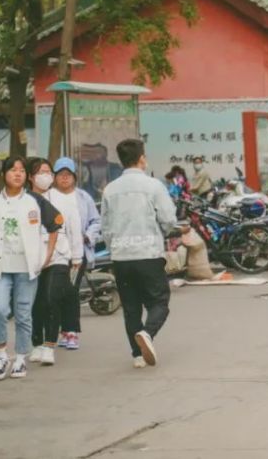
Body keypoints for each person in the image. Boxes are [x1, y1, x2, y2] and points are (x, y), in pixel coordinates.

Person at [0, 156, 63, 381]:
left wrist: (48, 254)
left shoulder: (35, 201)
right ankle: (2, 355)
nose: (18, 174)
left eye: (22, 171)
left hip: (27, 268)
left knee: (23, 313)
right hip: (1, 267)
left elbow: (56, 223)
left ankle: (21, 358)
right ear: (4, 174)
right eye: (13, 170)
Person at [102, 138, 181, 368]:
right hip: (147, 253)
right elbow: (168, 219)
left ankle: (137, 355)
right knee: (160, 302)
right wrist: (164, 231)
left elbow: (105, 227)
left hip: (121, 257)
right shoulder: (154, 186)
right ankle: (147, 333)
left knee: (131, 307)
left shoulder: (110, 189)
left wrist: (114, 247)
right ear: (142, 158)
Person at [27, 158, 83, 367]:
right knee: (36, 302)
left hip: (58, 256)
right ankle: (37, 343)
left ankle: (50, 345)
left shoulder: (63, 199)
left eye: (48, 171)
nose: (46, 176)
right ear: (31, 177)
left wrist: (76, 257)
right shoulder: (23, 201)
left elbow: (74, 229)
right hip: (31, 258)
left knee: (52, 298)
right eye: (41, 172)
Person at [53, 157, 100, 351]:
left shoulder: (83, 197)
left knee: (71, 291)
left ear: (74, 177)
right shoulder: (49, 197)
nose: (64, 178)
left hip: (77, 254)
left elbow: (96, 221)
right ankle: (59, 330)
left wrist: (87, 236)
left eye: (68, 175)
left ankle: (71, 331)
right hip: (54, 254)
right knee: (57, 292)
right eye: (60, 175)